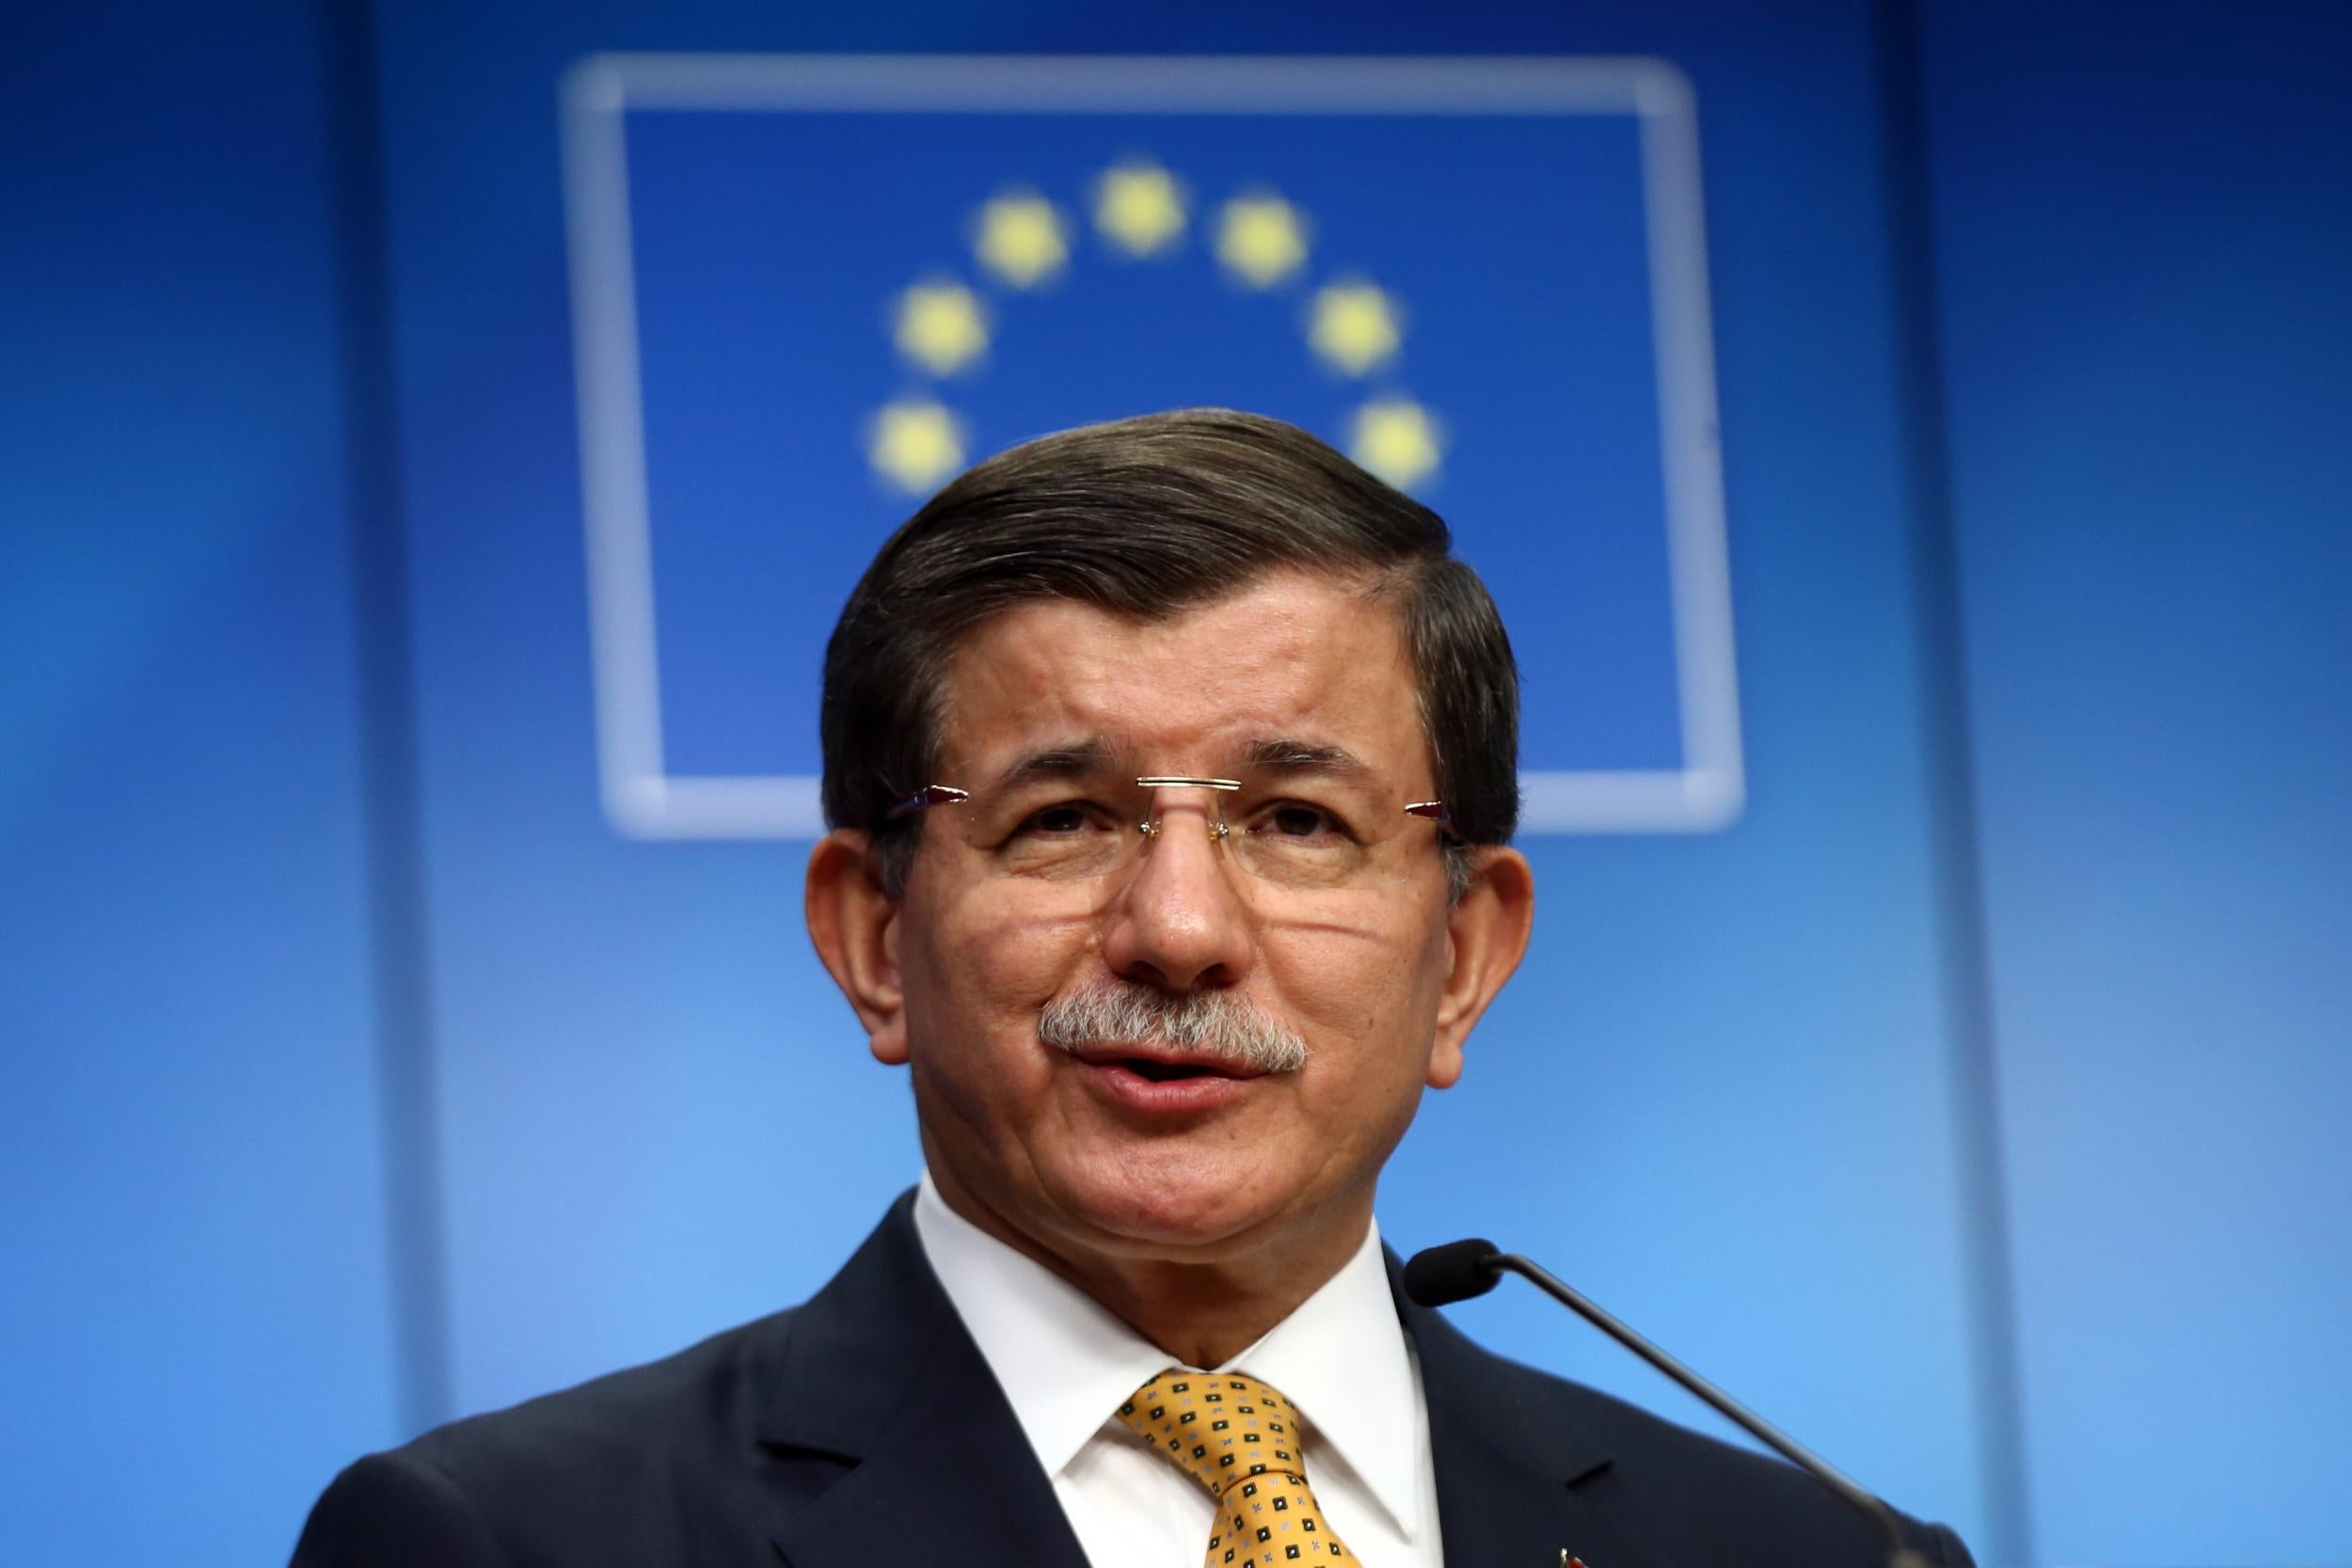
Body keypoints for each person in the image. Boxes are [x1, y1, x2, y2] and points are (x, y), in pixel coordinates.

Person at [291, 408, 1971, 1567]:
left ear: (1462, 955)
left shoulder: (1816, 1552)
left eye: (1299, 822)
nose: (1177, 930)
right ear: (873, 936)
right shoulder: (510, 1545)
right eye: (1065, 819)